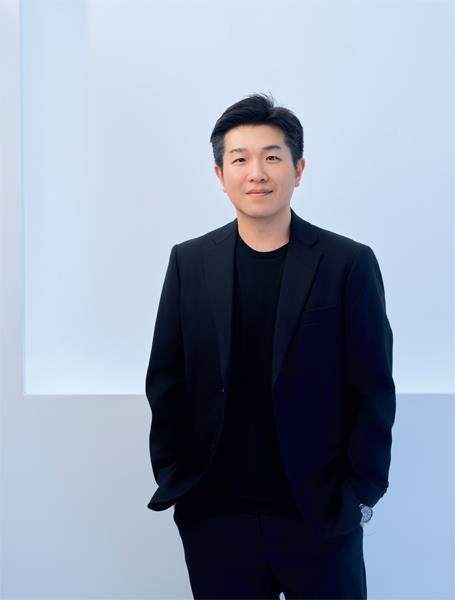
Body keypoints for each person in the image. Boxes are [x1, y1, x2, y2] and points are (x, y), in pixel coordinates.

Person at [145, 92, 396, 599]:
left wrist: (359, 495)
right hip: (216, 515)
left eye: (272, 157)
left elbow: (372, 387)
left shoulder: (347, 263)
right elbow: (166, 379)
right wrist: (177, 478)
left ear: (298, 170)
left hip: (318, 515)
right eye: (240, 159)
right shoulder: (189, 263)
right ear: (220, 175)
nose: (256, 172)